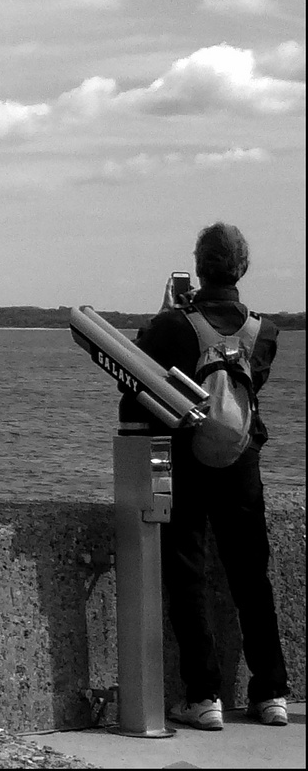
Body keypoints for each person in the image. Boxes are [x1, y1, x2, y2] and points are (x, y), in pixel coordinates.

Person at [121, 222, 290, 729]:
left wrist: (167, 314)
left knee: (187, 574)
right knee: (251, 577)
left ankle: (204, 695)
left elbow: (140, 374)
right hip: (242, 464)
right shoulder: (266, 333)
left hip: (186, 463)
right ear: (243, 268)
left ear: (199, 266)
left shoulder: (176, 326)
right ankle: (272, 692)